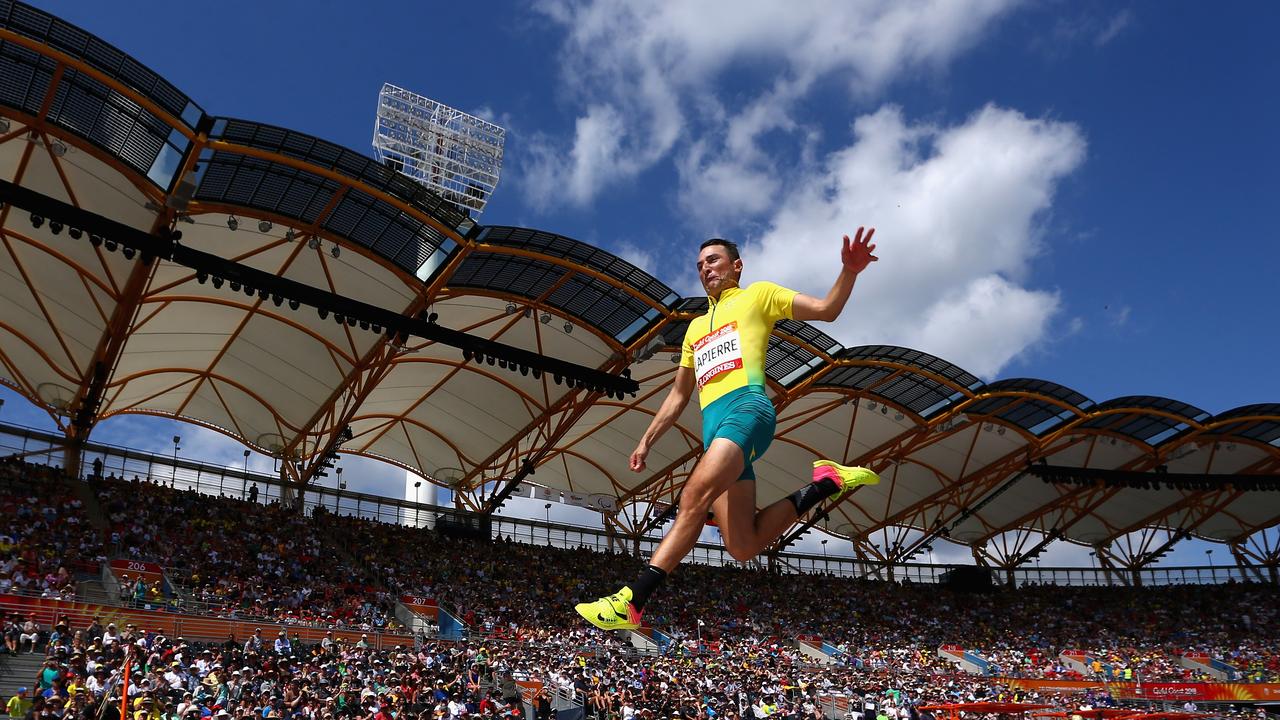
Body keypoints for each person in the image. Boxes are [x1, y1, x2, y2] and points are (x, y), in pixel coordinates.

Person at [575, 230, 881, 630]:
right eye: (700, 265)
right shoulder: (695, 329)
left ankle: (632, 601)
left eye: (714, 261)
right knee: (743, 545)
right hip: (715, 430)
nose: (706, 269)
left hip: (747, 409)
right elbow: (678, 394)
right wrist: (647, 439)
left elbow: (826, 309)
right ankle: (826, 482)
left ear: (737, 266)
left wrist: (849, 270)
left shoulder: (758, 296)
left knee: (693, 496)